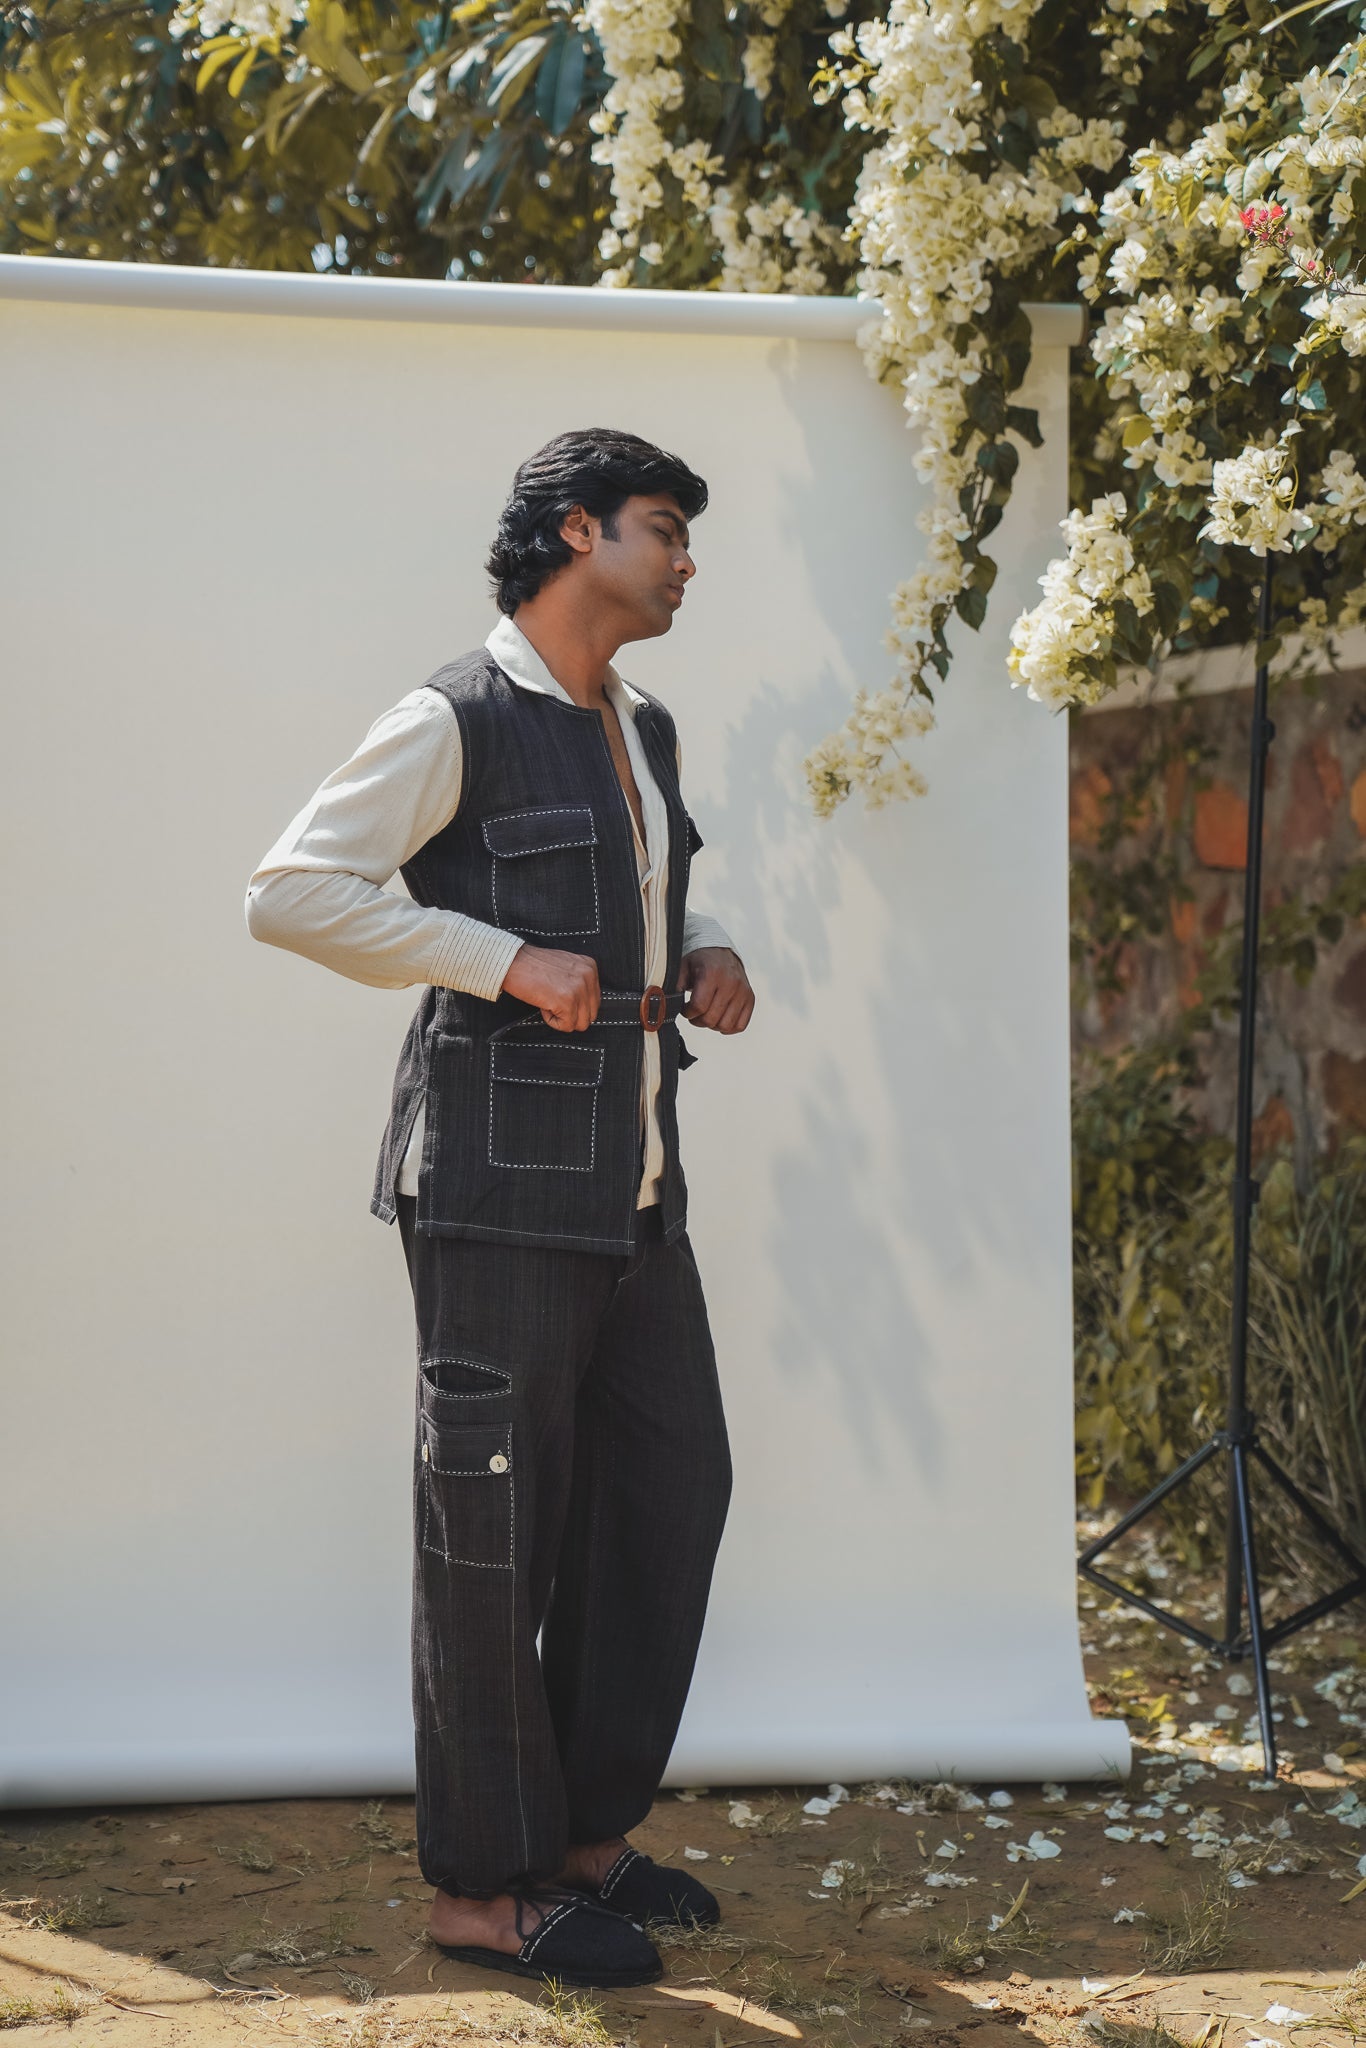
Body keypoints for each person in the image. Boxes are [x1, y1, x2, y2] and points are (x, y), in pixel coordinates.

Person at [245, 428, 755, 1991]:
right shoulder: (453, 714)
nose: (685, 561)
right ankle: (482, 1891)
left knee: (667, 1491)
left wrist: (711, 947)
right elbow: (291, 889)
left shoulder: (642, 724)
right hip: (492, 1191)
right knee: (493, 1532)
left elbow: (653, 886)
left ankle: (585, 1839)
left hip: (634, 1185)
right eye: (662, 529)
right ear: (576, 531)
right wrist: (495, 959)